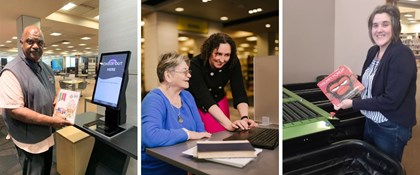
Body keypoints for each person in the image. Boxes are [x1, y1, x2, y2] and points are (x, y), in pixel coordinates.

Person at [334, 4, 416, 162]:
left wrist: (353, 103)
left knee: (385, 168)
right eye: (375, 25)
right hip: (371, 120)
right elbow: (371, 81)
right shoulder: (373, 51)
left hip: (390, 126)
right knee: (371, 165)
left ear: (395, 26)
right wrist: (350, 79)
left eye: (385, 24)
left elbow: (391, 100)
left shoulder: (401, 55)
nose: (379, 30)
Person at [0, 25, 72, 174]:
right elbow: (16, 111)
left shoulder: (45, 67)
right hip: (30, 142)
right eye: (30, 41)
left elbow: (54, 88)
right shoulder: (11, 72)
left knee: (46, 170)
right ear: (21, 43)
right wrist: (53, 121)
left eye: (39, 43)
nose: (35, 46)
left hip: (47, 135)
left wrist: (58, 97)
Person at [141, 52, 212, 175]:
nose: (189, 75)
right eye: (184, 72)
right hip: (159, 169)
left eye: (188, 71)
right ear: (168, 75)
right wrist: (187, 134)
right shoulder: (154, 99)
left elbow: (201, 132)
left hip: (186, 165)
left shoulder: (188, 96)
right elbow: (150, 137)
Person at [187, 33, 257, 133]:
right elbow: (204, 98)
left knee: (224, 135)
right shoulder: (195, 64)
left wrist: (245, 118)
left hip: (220, 99)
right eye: (218, 54)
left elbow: (239, 91)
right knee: (209, 137)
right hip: (199, 105)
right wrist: (230, 125)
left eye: (227, 55)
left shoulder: (233, 62)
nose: (222, 60)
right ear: (209, 51)